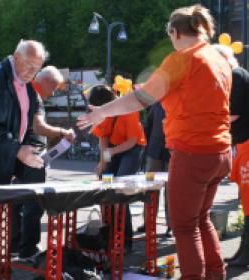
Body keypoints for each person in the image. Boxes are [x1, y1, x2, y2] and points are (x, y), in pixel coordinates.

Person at [78, 5, 232, 280]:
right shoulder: (219, 59)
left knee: (184, 226)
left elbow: (141, 98)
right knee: (201, 219)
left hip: (192, 152)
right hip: (219, 151)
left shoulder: (182, 59)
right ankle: (216, 274)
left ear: (174, 32)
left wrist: (101, 111)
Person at [0, 40, 48, 280]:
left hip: (3, 159)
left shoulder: (28, 87)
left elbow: (27, 124)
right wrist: (18, 150)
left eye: (36, 67)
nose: (30, 71)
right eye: (27, 64)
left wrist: (34, 148)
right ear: (15, 57)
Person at [11, 65, 75, 261]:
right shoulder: (34, 94)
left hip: (17, 152)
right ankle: (28, 249)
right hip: (32, 154)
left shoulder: (22, 90)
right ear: (45, 81)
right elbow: (38, 127)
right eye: (53, 87)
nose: (53, 92)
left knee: (17, 201)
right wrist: (63, 132)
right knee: (34, 203)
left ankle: (16, 244)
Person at [88, 85, 146, 251]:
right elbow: (103, 139)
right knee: (105, 185)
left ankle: (126, 240)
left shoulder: (128, 111)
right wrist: (103, 163)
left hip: (132, 149)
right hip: (113, 148)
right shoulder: (102, 115)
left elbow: (132, 141)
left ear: (105, 104)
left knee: (120, 189)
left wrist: (111, 152)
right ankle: (109, 235)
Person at [214, 44, 249, 267]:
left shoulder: (235, 75)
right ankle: (244, 252)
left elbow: (232, 115)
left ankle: (245, 255)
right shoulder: (239, 75)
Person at [137, 102, 171, 236]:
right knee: (150, 189)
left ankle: (171, 225)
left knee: (171, 191)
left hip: (173, 152)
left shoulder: (179, 101)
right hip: (154, 152)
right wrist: (143, 147)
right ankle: (148, 223)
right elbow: (147, 125)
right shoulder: (156, 104)